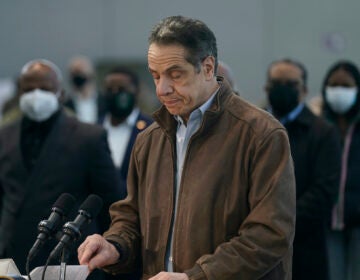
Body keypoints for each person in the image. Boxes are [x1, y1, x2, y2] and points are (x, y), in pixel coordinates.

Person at [78, 15, 296, 280]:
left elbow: (269, 235)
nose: (162, 89)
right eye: (155, 76)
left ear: (207, 68)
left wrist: (196, 277)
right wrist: (115, 245)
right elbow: (131, 217)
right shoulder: (150, 139)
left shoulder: (261, 134)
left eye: (175, 75)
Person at [0, 59, 121, 274]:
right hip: (12, 258)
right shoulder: (4, 135)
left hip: (69, 260)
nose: (36, 94)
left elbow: (111, 201)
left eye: (44, 88)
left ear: (61, 93)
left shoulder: (88, 137)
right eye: (29, 89)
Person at [264, 58, 341, 280]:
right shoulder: (252, 126)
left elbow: (325, 191)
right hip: (255, 245)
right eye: (277, 82)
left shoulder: (322, 132)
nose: (283, 89)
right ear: (266, 87)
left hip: (304, 245)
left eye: (290, 84)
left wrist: (280, 223)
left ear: (304, 89)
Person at [321, 60, 360, 280]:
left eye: (346, 86)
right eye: (334, 85)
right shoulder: (319, 125)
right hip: (327, 220)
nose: (339, 91)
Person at [101, 66, 152, 200]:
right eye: (109, 90)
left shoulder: (152, 129)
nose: (115, 93)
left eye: (121, 89)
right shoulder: (94, 128)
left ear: (136, 91)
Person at [65, 55, 105, 123]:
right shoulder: (66, 104)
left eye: (80, 72)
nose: (77, 76)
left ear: (91, 74)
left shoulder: (104, 101)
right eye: (74, 73)